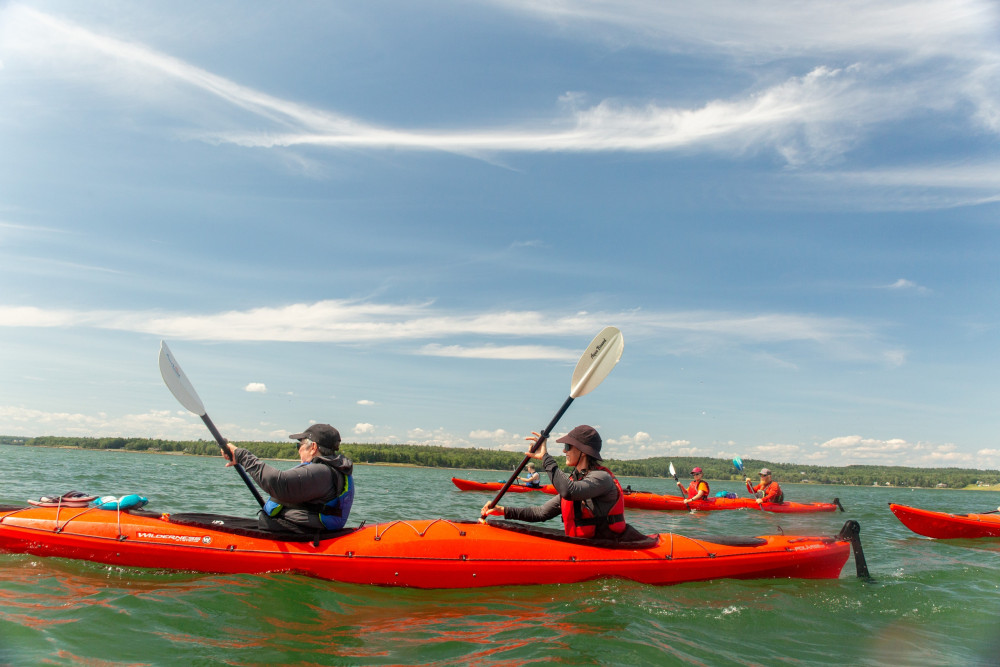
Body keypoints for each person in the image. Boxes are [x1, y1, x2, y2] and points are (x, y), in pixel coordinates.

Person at [480, 425, 628, 540]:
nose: (564, 451)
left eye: (568, 446)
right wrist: (503, 511)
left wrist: (545, 457)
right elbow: (541, 513)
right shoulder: (577, 481)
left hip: (607, 547)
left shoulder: (602, 478)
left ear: (583, 451)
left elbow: (569, 491)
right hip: (583, 546)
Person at [224, 423, 354, 532]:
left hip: (299, 537)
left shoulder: (322, 472)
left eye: (299, 445)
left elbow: (277, 483)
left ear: (313, 447)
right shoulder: (330, 470)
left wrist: (241, 455)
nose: (298, 450)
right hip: (295, 530)